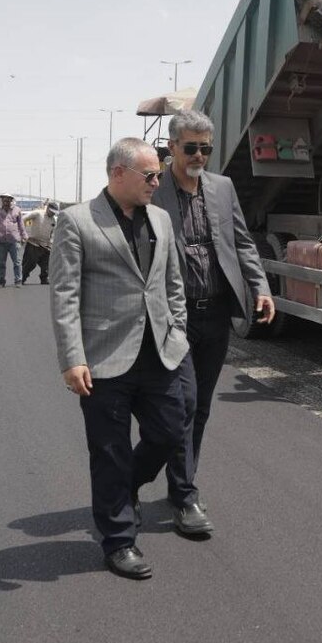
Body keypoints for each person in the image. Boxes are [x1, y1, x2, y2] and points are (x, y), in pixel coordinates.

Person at [50, 137, 190, 580]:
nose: (157, 181)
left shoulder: (162, 220)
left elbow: (171, 283)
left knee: (169, 432)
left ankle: (127, 487)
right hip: (103, 358)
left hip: (159, 353)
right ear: (117, 174)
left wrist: (178, 330)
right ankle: (119, 540)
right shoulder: (77, 222)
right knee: (108, 452)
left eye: (158, 175)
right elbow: (65, 295)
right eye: (149, 175)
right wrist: (73, 358)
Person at [150, 109, 273, 536]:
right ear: (172, 148)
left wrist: (260, 287)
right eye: (191, 148)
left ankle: (179, 485)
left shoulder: (222, 187)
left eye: (206, 148)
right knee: (179, 407)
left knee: (199, 407)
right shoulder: (153, 190)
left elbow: (241, 241)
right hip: (172, 317)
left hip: (216, 313)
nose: (199, 155)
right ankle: (184, 496)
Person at [0, 193, 27, 287]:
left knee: (17, 262)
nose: (6, 202)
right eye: (4, 200)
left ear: (11, 201)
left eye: (8, 200)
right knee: (1, 263)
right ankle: (2, 281)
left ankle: (18, 280)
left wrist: (24, 236)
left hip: (14, 241)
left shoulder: (17, 210)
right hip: (1, 241)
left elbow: (21, 225)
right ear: (2, 201)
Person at [21, 200, 58, 284]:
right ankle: (23, 278)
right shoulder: (38, 213)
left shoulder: (54, 220)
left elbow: (53, 233)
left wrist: (51, 243)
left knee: (47, 264)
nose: (53, 214)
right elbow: (22, 219)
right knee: (30, 263)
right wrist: (24, 234)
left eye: (54, 212)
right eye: (52, 211)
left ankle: (44, 278)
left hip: (46, 245)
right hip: (33, 243)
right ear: (48, 208)